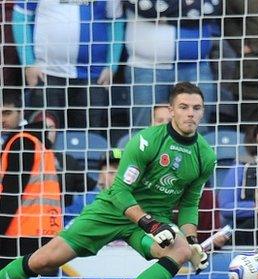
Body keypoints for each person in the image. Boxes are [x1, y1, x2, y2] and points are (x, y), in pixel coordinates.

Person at [0, 82, 217, 279]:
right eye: (184, 107)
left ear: (203, 111)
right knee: (44, 260)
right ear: (171, 110)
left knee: (181, 250)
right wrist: (150, 223)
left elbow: (189, 204)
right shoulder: (146, 141)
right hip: (113, 211)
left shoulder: (205, 156)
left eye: (196, 108)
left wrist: (193, 241)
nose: (190, 113)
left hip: (151, 222)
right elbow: (120, 190)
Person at [12, 0, 124, 131]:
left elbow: (116, 22)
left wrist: (112, 64)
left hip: (94, 75)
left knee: (91, 136)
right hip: (47, 73)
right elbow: (21, 16)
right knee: (45, 134)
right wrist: (28, 63)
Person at [124, 0, 219, 128]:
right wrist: (187, 10)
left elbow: (210, 9)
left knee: (197, 128)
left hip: (195, 66)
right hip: (145, 66)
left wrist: (164, 15)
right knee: (145, 130)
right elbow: (145, 8)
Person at [0, 106, 63, 268]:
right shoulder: (39, 143)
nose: (2, 119)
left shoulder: (22, 142)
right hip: (48, 233)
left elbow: (12, 194)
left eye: (6, 113)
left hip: (18, 236)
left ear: (21, 112)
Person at [64, 149, 122, 226]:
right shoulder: (85, 202)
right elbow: (65, 224)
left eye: (121, 171)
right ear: (100, 176)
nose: (117, 176)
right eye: (111, 172)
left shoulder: (135, 199)